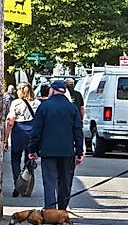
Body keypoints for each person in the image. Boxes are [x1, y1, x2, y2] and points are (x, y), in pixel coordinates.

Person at [27, 80, 85, 211]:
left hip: (48, 150)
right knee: (65, 181)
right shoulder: (72, 108)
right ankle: (62, 209)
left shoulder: (44, 107)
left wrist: (32, 149)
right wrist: (79, 151)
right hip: (67, 151)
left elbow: (36, 130)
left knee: (49, 181)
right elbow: (78, 131)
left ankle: (50, 209)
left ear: (52, 90)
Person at [6, 84, 38, 197]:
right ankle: (26, 186)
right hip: (32, 132)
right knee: (29, 160)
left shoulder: (15, 103)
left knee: (15, 159)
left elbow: (11, 121)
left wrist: (6, 138)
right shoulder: (37, 103)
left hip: (18, 131)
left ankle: (17, 183)